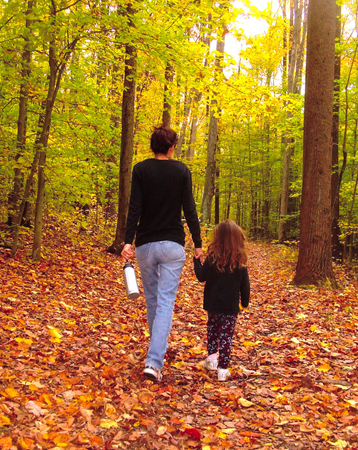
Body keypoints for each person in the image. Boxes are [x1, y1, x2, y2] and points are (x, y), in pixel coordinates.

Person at [121, 125, 203, 382]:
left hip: (145, 245)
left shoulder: (140, 170)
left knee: (153, 301)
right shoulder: (181, 170)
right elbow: (189, 208)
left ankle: (155, 356)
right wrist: (198, 243)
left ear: (152, 146)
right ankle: (154, 361)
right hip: (172, 247)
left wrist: (127, 242)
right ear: (171, 147)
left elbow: (134, 208)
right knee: (165, 302)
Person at [193, 220, 250, 382]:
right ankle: (223, 369)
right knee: (226, 335)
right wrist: (244, 302)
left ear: (218, 238)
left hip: (213, 305)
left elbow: (201, 276)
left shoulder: (212, 259)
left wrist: (196, 260)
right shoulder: (239, 262)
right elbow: (245, 286)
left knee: (213, 330)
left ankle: (212, 358)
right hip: (230, 307)